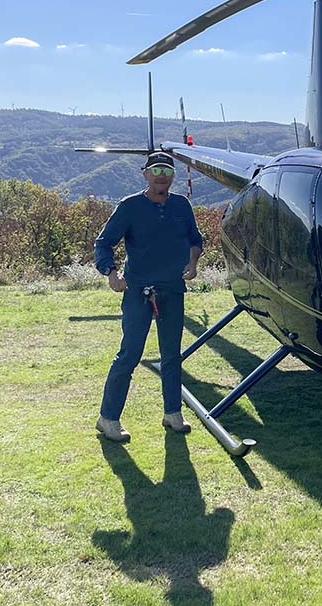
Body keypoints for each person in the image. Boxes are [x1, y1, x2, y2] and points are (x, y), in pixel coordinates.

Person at [94, 152, 203, 442]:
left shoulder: (181, 205)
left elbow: (195, 240)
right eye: (155, 170)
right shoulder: (129, 207)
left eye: (166, 171)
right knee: (129, 355)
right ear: (144, 173)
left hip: (173, 289)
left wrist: (192, 264)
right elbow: (103, 243)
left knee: (172, 355)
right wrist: (112, 273)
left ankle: (172, 413)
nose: (161, 176)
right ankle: (108, 418)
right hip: (138, 291)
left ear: (172, 176)